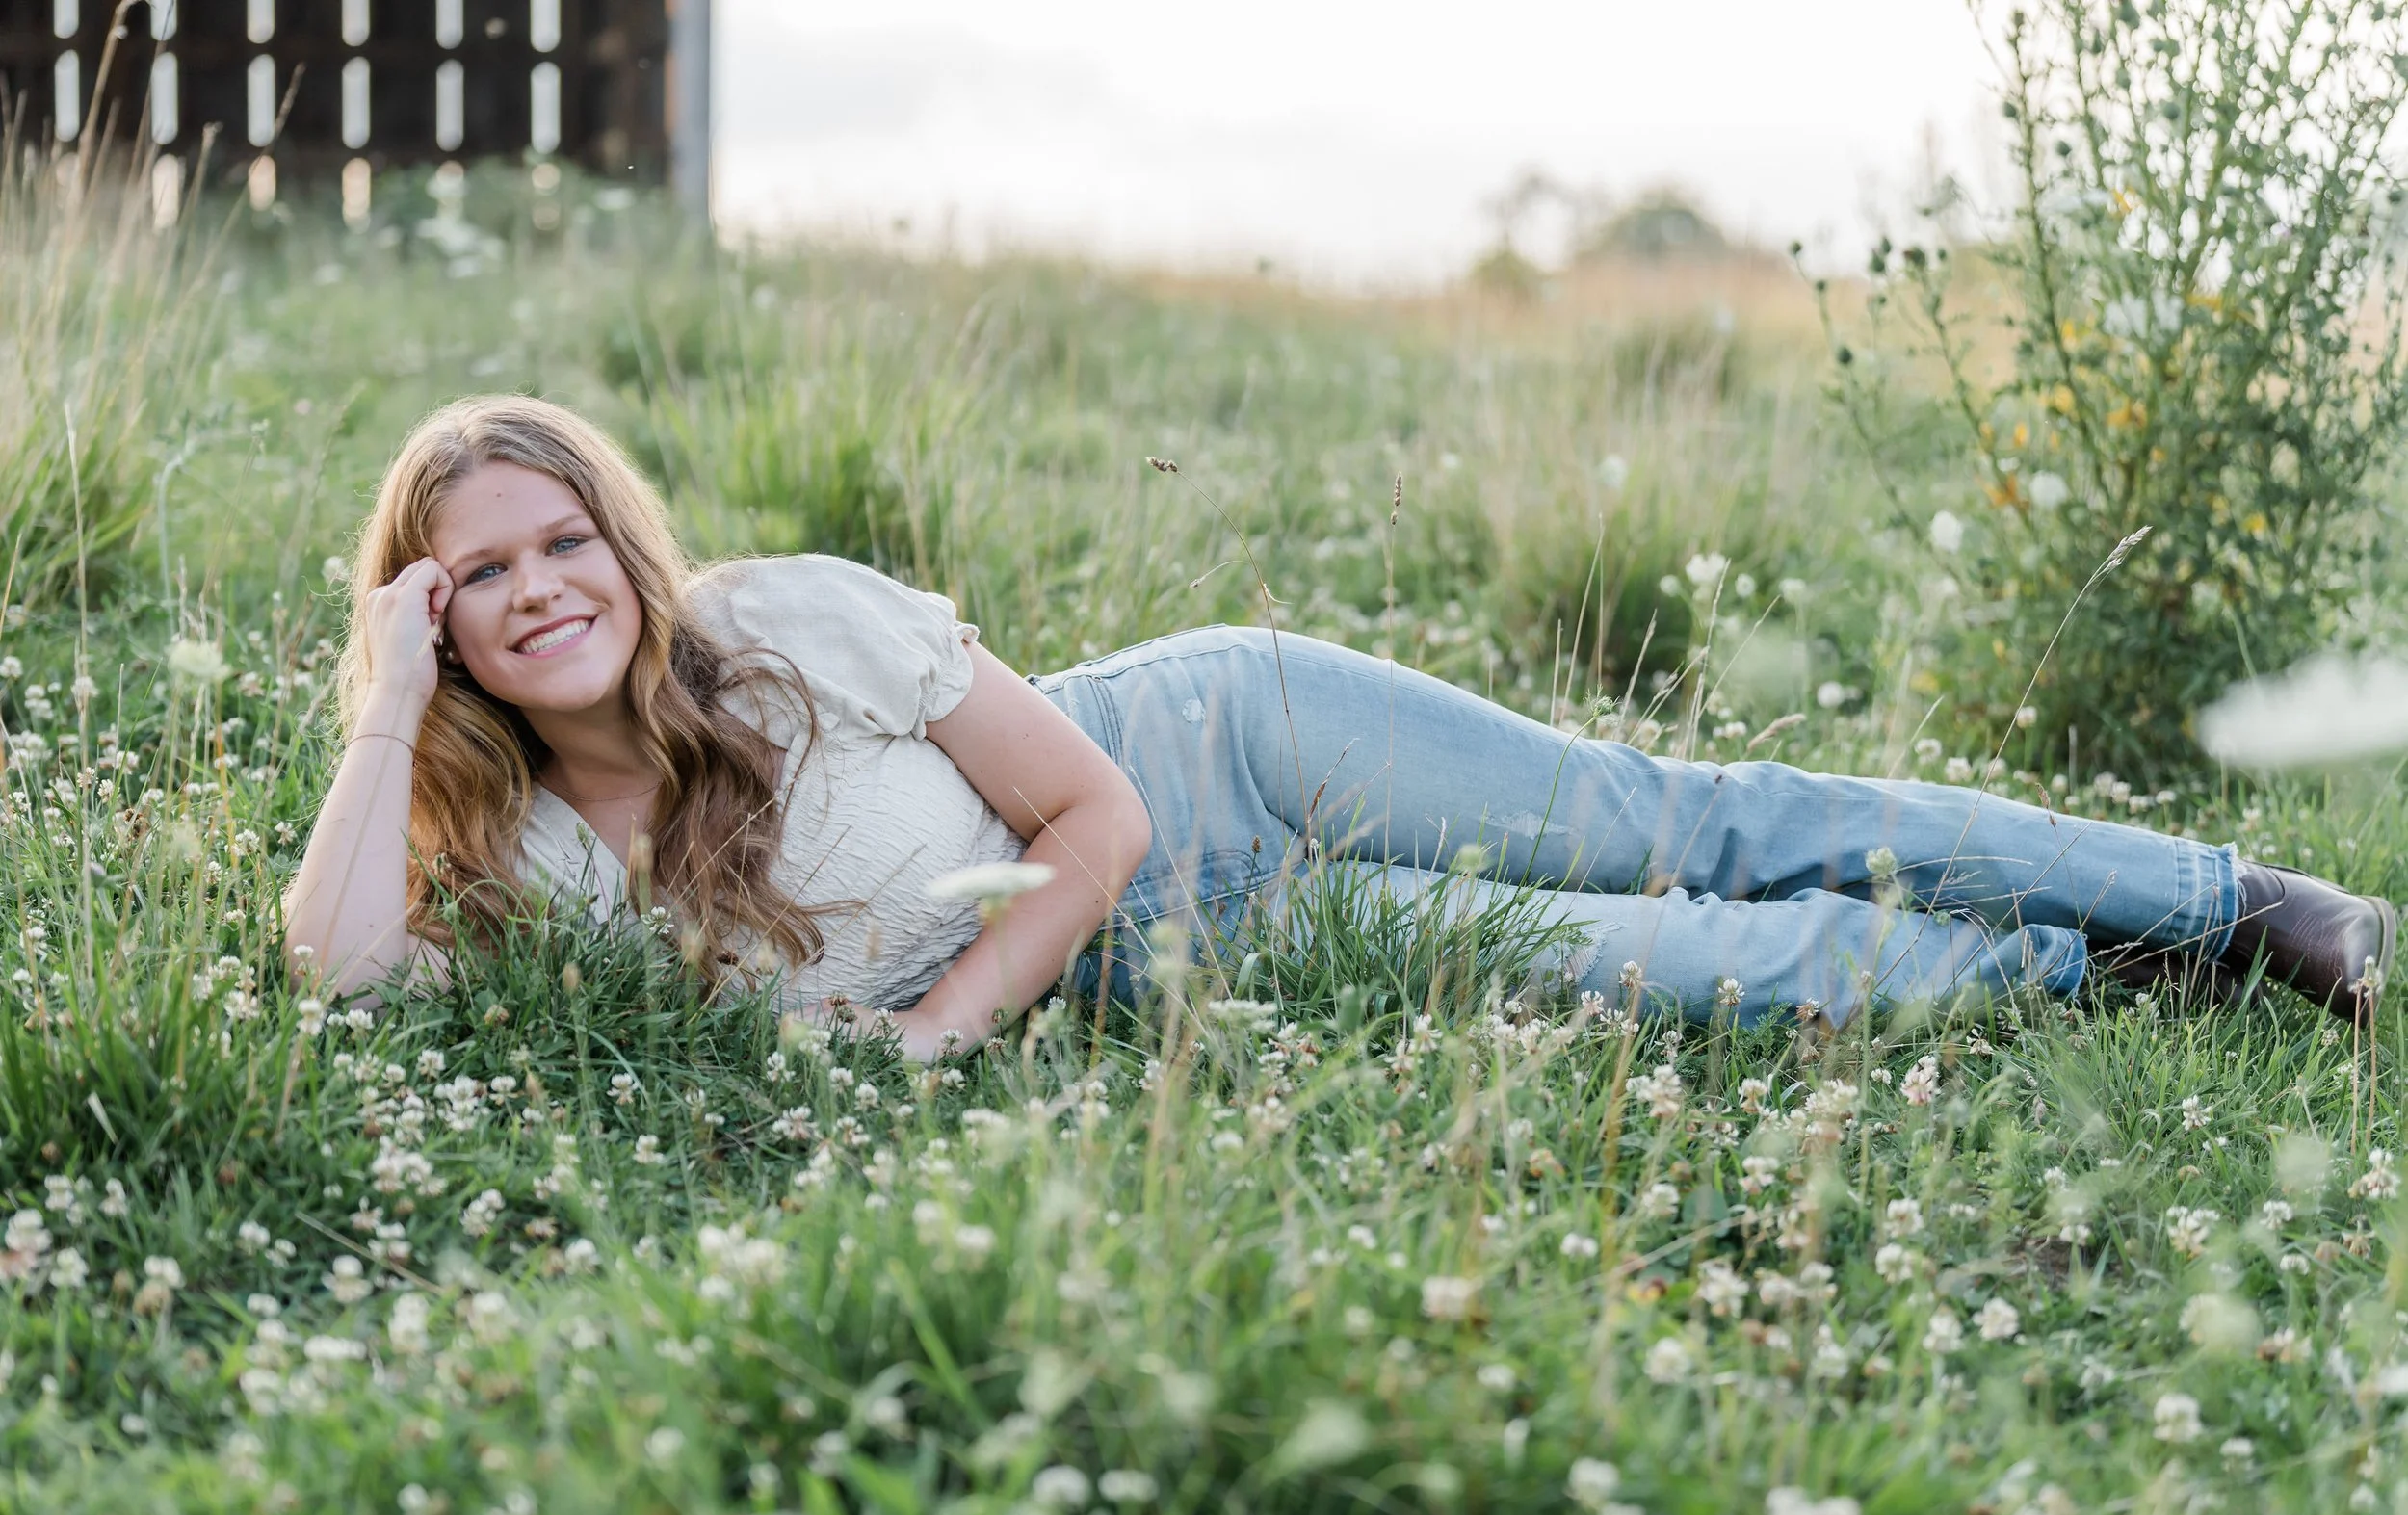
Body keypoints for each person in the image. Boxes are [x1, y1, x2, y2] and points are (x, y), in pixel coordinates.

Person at [283, 395, 2395, 1059]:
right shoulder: (500, 833)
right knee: (1699, 973)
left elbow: (1091, 810)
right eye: (475, 570)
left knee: (1674, 826)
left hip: (1217, 761)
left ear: (622, 550)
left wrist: (925, 1048)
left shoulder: (777, 629)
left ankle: (2238, 895)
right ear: (431, 608)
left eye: (563, 538)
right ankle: (2086, 956)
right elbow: (338, 970)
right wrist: (384, 716)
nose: (536, 585)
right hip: (1170, 950)